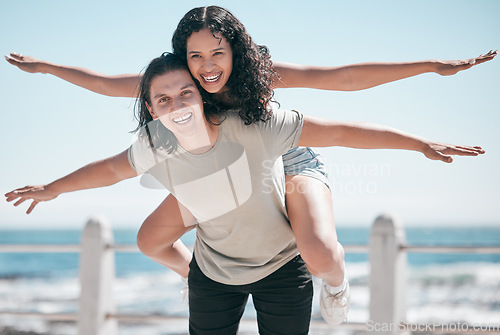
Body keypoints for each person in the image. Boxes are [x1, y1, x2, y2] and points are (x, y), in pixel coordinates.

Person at [4, 5, 496, 325]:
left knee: (319, 251)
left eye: (218, 52)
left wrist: (431, 67)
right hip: (209, 167)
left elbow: (345, 80)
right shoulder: (182, 87)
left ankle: (339, 284)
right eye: (195, 56)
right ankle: (198, 278)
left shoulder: (261, 76)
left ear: (235, 50)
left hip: (283, 156)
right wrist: (48, 68)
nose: (207, 65)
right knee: (149, 239)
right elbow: (107, 85)